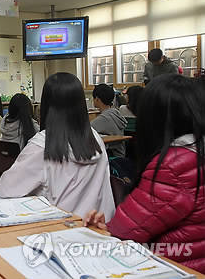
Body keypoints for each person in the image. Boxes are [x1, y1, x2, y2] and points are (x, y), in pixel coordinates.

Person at [84, 74, 205, 273]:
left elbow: (126, 231)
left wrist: (101, 230)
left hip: (173, 268)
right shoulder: (195, 151)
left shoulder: (173, 166)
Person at [0, 73, 115, 220]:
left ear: (46, 104)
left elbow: (7, 188)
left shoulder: (43, 144)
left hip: (57, 231)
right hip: (98, 230)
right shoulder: (95, 138)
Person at [91, 83, 127, 157]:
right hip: (120, 155)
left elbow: (86, 131)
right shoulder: (115, 113)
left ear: (97, 99)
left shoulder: (104, 118)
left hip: (112, 159)